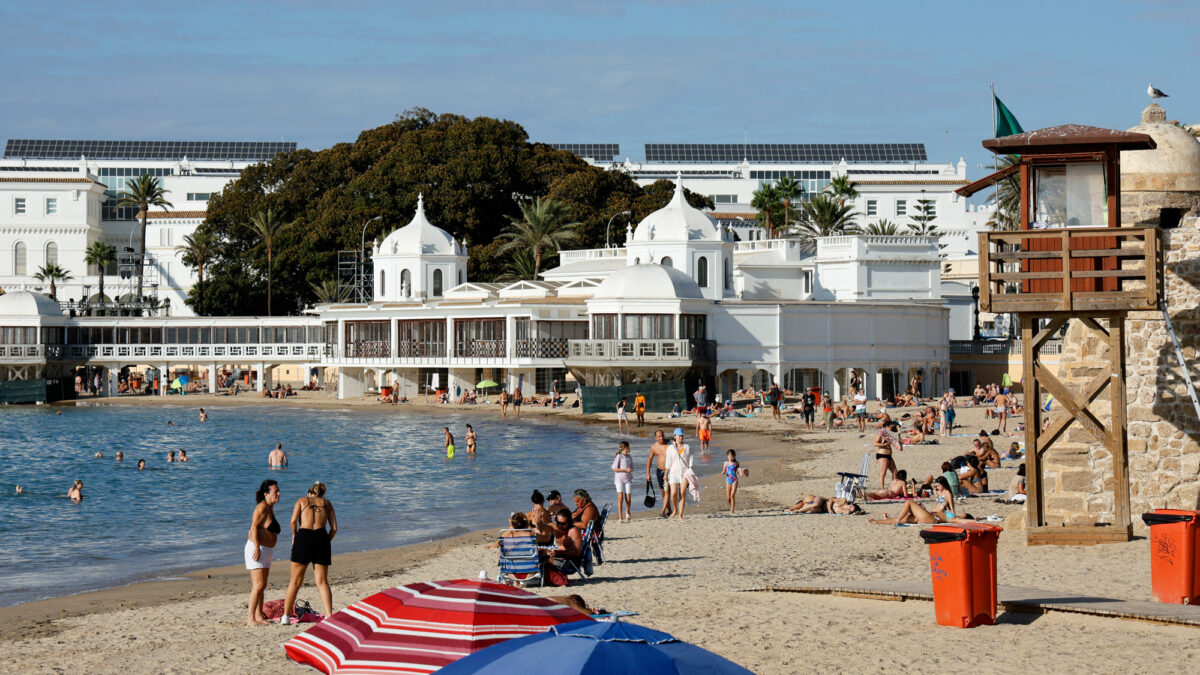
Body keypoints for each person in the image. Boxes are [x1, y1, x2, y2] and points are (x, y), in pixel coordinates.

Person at [282, 481, 337, 623]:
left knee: (295, 581)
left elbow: (293, 521)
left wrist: (295, 535)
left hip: (304, 537)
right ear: (322, 493)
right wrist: (326, 541)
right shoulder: (327, 503)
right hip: (321, 538)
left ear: (309, 493)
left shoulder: (301, 501)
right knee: (322, 581)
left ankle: (286, 617)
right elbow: (334, 528)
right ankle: (329, 615)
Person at [246, 479, 281, 625]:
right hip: (257, 549)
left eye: (278, 491)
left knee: (263, 585)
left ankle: (259, 615)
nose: (279, 493)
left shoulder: (270, 507)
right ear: (266, 494)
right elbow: (253, 527)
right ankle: (250, 618)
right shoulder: (262, 507)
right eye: (275, 492)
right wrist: (256, 547)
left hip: (266, 550)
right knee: (258, 585)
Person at [869, 477, 957, 525]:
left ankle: (896, 520)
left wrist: (954, 517)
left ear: (944, 485)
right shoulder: (939, 492)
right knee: (905, 519)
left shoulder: (947, 493)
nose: (937, 487)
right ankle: (878, 521)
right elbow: (935, 500)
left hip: (934, 516)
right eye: (936, 486)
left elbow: (952, 508)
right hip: (931, 513)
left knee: (908, 505)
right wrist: (935, 492)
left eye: (938, 486)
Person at [664, 428, 693, 520]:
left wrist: (690, 470)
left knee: (682, 493)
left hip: (684, 473)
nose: (680, 437)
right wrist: (665, 474)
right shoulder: (670, 448)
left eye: (682, 435)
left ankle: (680, 514)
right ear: (675, 436)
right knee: (673, 493)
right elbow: (668, 463)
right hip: (673, 473)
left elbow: (691, 460)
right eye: (679, 435)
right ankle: (675, 509)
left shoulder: (687, 447)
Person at [645, 430, 671, 517]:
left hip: (669, 471)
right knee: (663, 492)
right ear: (656, 438)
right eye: (659, 436)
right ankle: (670, 510)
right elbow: (649, 460)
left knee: (667, 492)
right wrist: (648, 473)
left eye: (662, 435)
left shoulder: (670, 443)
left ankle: (662, 511)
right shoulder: (654, 447)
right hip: (659, 471)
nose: (662, 438)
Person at [873, 421, 901, 489]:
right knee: (883, 473)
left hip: (889, 455)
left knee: (895, 472)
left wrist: (897, 427)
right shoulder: (881, 434)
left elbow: (899, 434)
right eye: (891, 427)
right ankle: (882, 489)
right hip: (882, 454)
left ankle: (893, 487)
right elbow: (875, 443)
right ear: (886, 427)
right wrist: (884, 444)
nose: (892, 428)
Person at [612, 441, 633, 523]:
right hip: (619, 479)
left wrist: (630, 469)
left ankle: (627, 511)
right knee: (620, 498)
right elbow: (614, 468)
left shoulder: (629, 456)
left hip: (628, 478)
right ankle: (620, 517)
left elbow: (632, 467)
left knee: (628, 497)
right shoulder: (619, 457)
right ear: (625, 447)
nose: (630, 448)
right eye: (629, 447)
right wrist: (625, 469)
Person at [723, 449, 741, 514]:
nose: (731, 458)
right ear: (727, 456)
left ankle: (732, 511)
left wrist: (741, 472)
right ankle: (732, 506)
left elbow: (739, 471)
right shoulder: (725, 463)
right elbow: (724, 471)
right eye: (729, 457)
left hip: (734, 480)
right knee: (728, 498)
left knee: (732, 495)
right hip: (728, 480)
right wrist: (723, 472)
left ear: (734, 456)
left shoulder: (736, 463)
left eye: (732, 457)